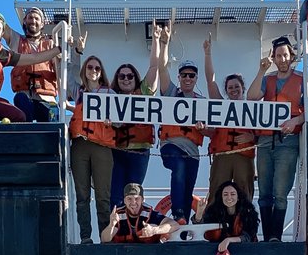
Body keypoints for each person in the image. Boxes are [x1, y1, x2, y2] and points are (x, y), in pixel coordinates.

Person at [248, 36, 305, 241]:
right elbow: (252, 97)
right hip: (264, 143)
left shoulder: (302, 79)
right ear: (274, 57)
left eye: (285, 55)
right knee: (264, 192)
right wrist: (262, 70)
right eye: (278, 55)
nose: (282, 59)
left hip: (288, 143)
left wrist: (295, 121)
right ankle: (267, 239)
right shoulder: (268, 79)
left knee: (280, 191)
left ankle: (275, 237)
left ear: (291, 57)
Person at [156, 22, 206, 224]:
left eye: (191, 75)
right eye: (184, 74)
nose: (187, 78)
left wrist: (204, 128)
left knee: (189, 184)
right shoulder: (170, 92)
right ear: (179, 77)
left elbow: (211, 131)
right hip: (171, 146)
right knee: (178, 169)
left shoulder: (202, 103)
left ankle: (182, 221)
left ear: (196, 78)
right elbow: (162, 68)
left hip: (193, 150)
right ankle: (177, 212)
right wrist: (164, 43)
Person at [109, 27, 163, 201]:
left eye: (130, 76)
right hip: (116, 151)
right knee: (116, 196)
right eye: (122, 76)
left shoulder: (144, 92)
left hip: (139, 151)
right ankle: (116, 227)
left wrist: (156, 40)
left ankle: (134, 228)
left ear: (135, 78)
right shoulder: (109, 97)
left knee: (134, 195)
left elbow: (154, 67)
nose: (126, 79)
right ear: (117, 80)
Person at [68, 54, 115, 243]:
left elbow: (120, 121)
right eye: (90, 68)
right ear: (84, 71)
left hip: (101, 146)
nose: (93, 71)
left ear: (101, 71)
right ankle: (85, 236)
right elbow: (64, 74)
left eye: (97, 68)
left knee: (103, 195)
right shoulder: (77, 91)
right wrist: (73, 50)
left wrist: (112, 121)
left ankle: (105, 237)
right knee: (82, 195)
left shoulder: (110, 94)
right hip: (79, 145)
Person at [202, 34, 255, 198]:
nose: (233, 90)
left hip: (244, 155)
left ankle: (245, 222)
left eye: (236, 86)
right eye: (230, 87)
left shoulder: (253, 108)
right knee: (217, 192)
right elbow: (210, 81)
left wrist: (251, 136)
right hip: (222, 155)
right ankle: (214, 222)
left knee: (244, 192)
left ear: (243, 88)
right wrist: (207, 54)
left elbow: (262, 133)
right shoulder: (221, 105)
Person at [101, 183, 180, 243]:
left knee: (154, 225)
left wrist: (154, 230)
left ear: (143, 200)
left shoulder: (151, 214)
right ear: (124, 201)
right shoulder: (118, 216)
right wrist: (111, 225)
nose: (133, 202)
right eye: (129, 199)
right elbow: (104, 239)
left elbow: (174, 225)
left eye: (137, 198)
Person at [197, 180, 259, 250]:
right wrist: (199, 212)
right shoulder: (214, 212)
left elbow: (248, 237)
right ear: (221, 197)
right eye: (225, 194)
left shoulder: (248, 212)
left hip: (246, 250)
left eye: (232, 194)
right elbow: (201, 230)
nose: (229, 197)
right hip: (219, 251)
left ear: (238, 197)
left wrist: (228, 240)